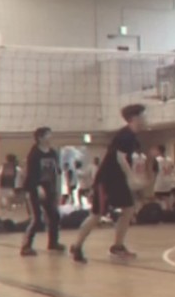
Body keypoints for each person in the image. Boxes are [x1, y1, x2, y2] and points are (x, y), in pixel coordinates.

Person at [70, 104, 147, 263]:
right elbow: (120, 158)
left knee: (129, 209)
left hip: (118, 180)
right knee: (97, 215)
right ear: (134, 118)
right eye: (143, 116)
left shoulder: (132, 136)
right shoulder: (125, 135)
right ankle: (77, 246)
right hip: (106, 180)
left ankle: (118, 247)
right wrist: (132, 177)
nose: (145, 119)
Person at [21, 128, 64, 256]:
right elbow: (31, 173)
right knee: (37, 219)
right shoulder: (34, 154)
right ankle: (26, 246)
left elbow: (56, 171)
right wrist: (37, 187)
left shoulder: (52, 152)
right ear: (40, 138)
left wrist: (56, 189)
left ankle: (53, 243)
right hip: (35, 189)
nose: (51, 137)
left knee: (54, 216)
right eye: (48, 135)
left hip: (49, 189)